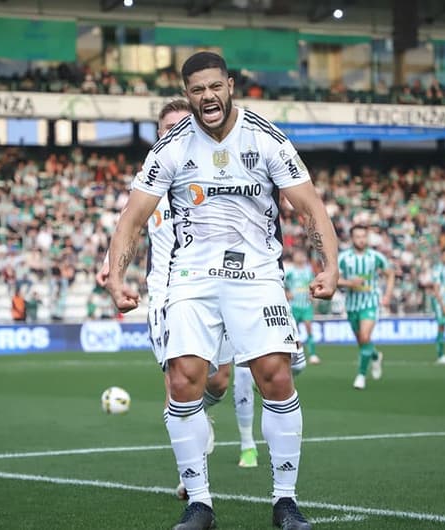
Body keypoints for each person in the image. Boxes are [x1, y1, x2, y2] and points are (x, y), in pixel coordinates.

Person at [105, 51, 338, 530]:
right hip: (190, 276)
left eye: (215, 87)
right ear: (187, 94)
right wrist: (115, 277)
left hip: (257, 273)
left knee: (276, 376)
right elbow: (132, 219)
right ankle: (200, 504)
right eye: (197, 90)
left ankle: (285, 501)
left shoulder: (266, 138)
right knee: (183, 381)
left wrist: (329, 266)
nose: (207, 97)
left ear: (230, 86)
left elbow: (310, 207)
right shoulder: (170, 148)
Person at [95, 99, 271, 481]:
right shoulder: (150, 176)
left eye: (182, 125)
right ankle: (190, 478)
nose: (175, 133)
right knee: (178, 382)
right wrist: (112, 266)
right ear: (159, 136)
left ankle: (198, 415)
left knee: (220, 380)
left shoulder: (212, 171)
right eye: (168, 128)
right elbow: (131, 224)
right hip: (168, 292)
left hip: (216, 285)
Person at [337, 225, 395, 390]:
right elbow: (334, 279)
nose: (361, 239)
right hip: (352, 304)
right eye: (357, 236)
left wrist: (388, 295)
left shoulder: (376, 257)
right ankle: (376, 356)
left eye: (364, 236)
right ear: (352, 238)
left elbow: (390, 274)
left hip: (370, 302)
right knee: (363, 342)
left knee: (364, 336)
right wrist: (350, 283)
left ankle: (361, 375)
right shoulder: (344, 258)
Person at [285, 249, 319, 365]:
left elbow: (313, 283)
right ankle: (295, 353)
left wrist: (312, 294)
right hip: (294, 306)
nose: (300, 257)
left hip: (306, 305)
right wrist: (287, 292)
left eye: (302, 255)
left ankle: (313, 354)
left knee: (309, 328)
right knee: (294, 331)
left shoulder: (309, 270)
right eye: (298, 255)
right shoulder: (290, 271)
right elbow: (282, 283)